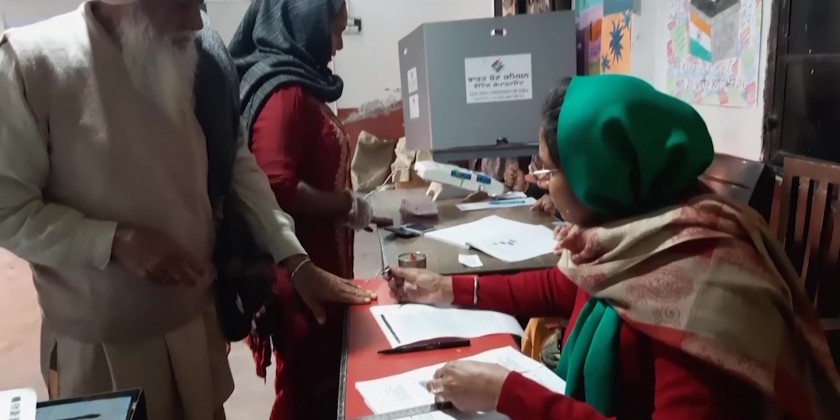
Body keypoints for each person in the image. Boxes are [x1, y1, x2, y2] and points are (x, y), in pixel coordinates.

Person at [0, 1, 375, 419]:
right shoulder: (31, 63)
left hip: (193, 338)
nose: (197, 21)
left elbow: (237, 165)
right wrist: (115, 240)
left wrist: (294, 258)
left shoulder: (194, 54)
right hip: (102, 359)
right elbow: (9, 213)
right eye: (182, 3)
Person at [387, 75, 840, 419]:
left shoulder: (700, 293)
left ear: (597, 176)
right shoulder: (635, 231)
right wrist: (445, 288)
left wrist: (507, 394)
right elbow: (561, 287)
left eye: (549, 171)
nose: (541, 183)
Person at [229, 1, 380, 418]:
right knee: (306, 392)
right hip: (300, 279)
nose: (338, 45)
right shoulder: (285, 93)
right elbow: (275, 185)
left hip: (319, 267)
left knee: (327, 386)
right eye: (335, 31)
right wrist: (345, 204)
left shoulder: (300, 83)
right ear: (306, 24)